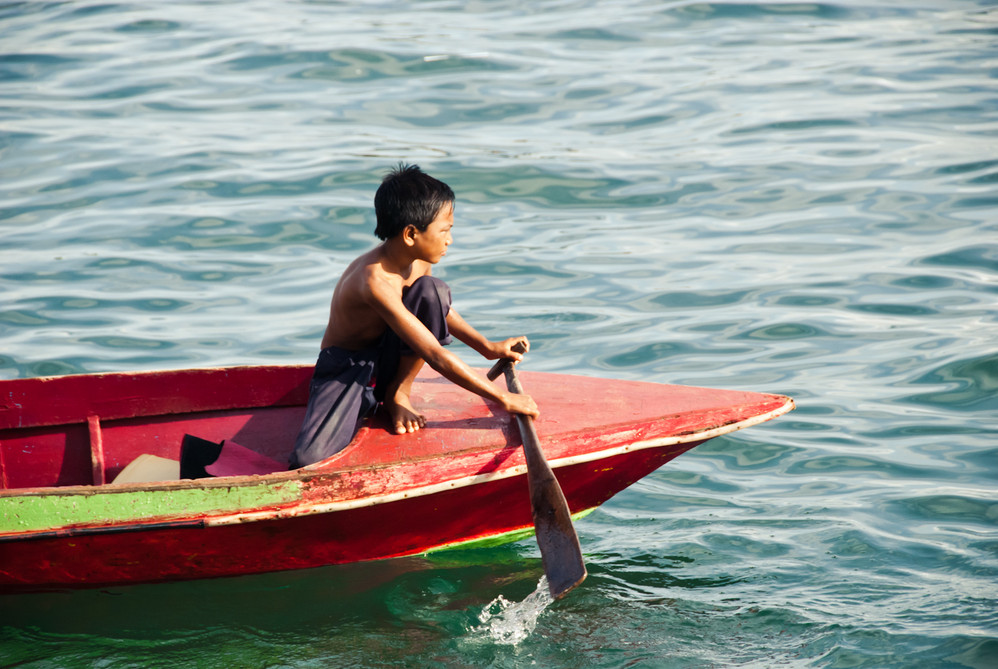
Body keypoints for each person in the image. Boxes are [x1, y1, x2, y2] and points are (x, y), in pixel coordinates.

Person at [290, 164, 539, 469]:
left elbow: (437, 311)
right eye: (444, 230)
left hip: (387, 353)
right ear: (411, 234)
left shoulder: (417, 260)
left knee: (433, 291)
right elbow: (434, 353)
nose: (449, 239)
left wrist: (486, 347)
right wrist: (503, 399)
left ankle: (397, 394)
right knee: (309, 460)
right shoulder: (374, 281)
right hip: (347, 365)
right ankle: (367, 400)